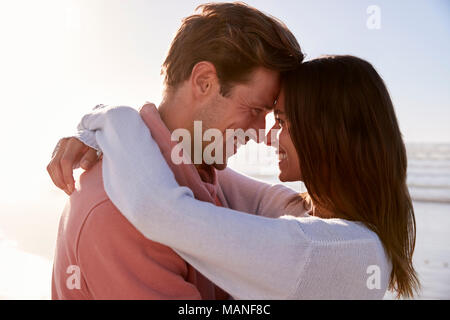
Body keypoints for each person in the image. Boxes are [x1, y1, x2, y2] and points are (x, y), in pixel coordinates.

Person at [49, 55, 420, 299]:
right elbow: (191, 171)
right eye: (259, 112)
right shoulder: (321, 222)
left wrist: (111, 119)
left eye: (283, 121)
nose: (267, 134)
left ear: (328, 132)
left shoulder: (332, 251)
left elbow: (160, 210)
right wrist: (97, 135)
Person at [47, 2, 303, 300]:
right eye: (255, 110)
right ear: (204, 82)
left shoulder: (196, 166)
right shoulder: (118, 210)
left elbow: (266, 202)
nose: (261, 132)